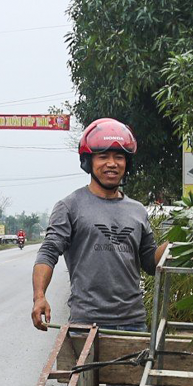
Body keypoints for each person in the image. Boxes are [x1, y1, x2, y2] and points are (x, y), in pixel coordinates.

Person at [31, 118, 162, 331]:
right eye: (103, 157)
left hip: (133, 323)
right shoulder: (70, 206)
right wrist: (39, 297)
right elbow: (48, 252)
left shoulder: (137, 210)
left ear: (127, 163)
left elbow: (150, 262)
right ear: (88, 162)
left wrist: (177, 244)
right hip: (86, 323)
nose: (112, 163)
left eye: (119, 157)